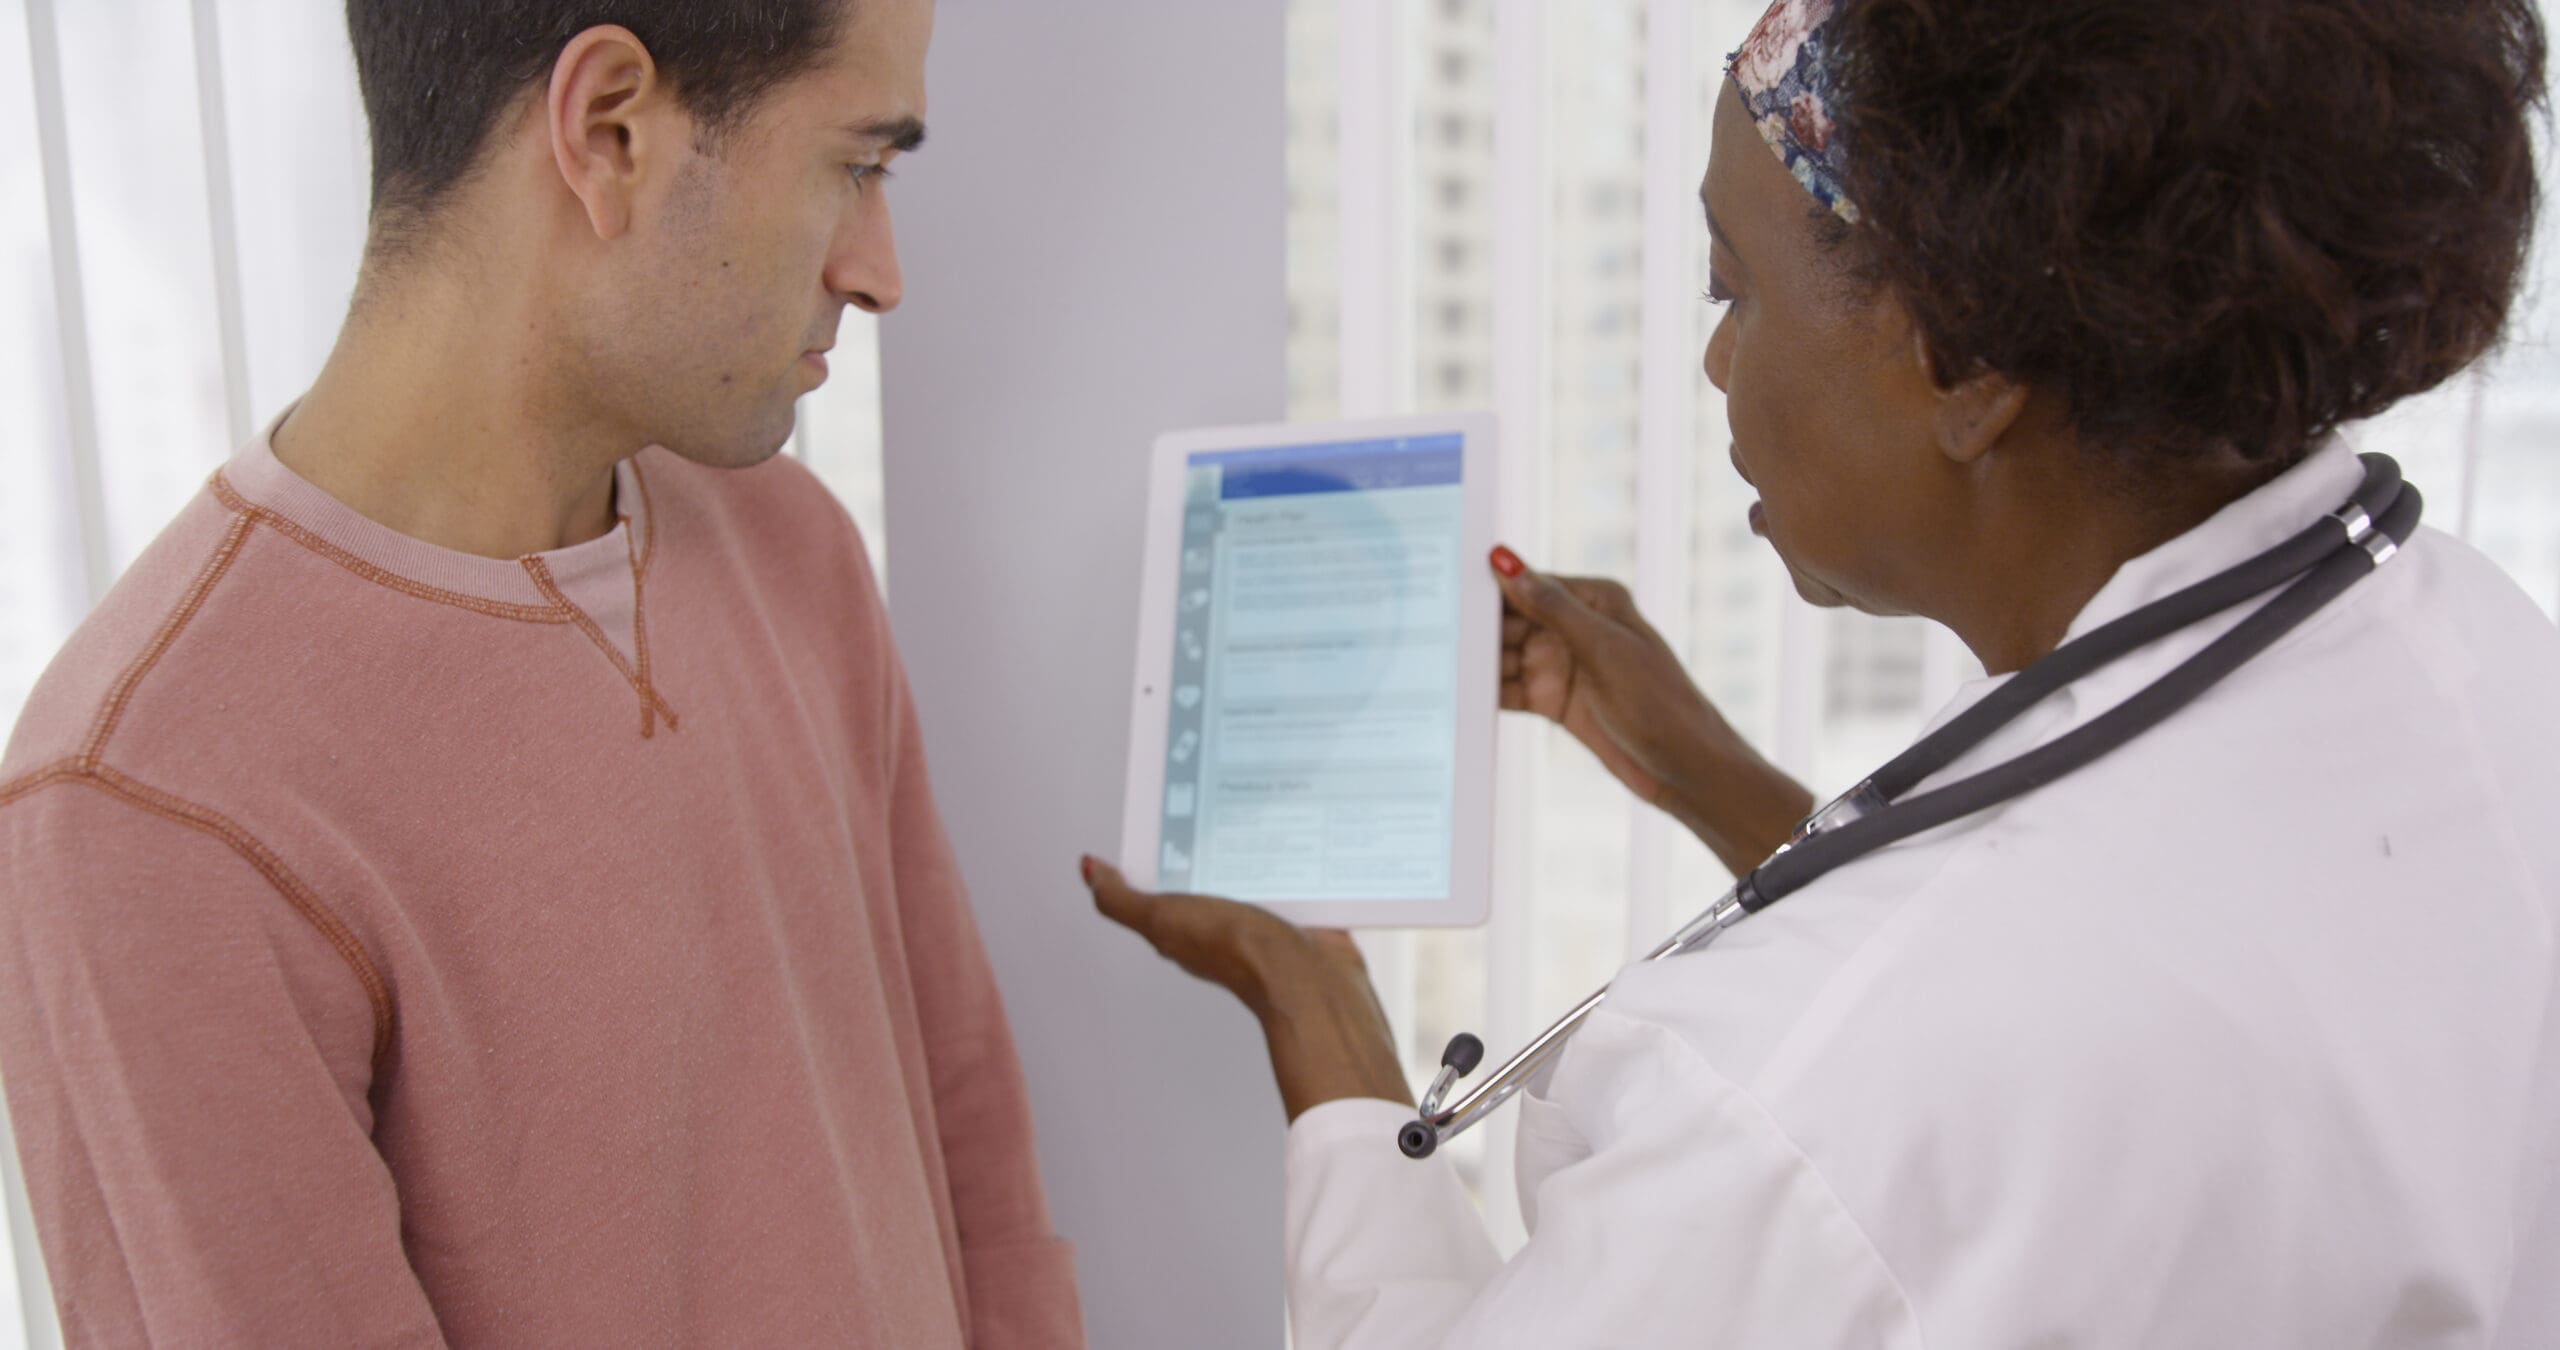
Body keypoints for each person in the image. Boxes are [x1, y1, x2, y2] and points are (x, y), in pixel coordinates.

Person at [1089, 0, 2560, 1344]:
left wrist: (1324, 1023)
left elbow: (1912, 1072)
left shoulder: (1806, 1107)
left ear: (1968, 361)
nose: (1720, 366)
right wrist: (1717, 780)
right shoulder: (2472, 651)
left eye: (1735, 288)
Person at [0, 1, 1081, 1344]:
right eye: (857, 165)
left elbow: (972, 1156)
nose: (879, 269)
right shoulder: (146, 805)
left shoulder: (792, 553)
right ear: (610, 128)